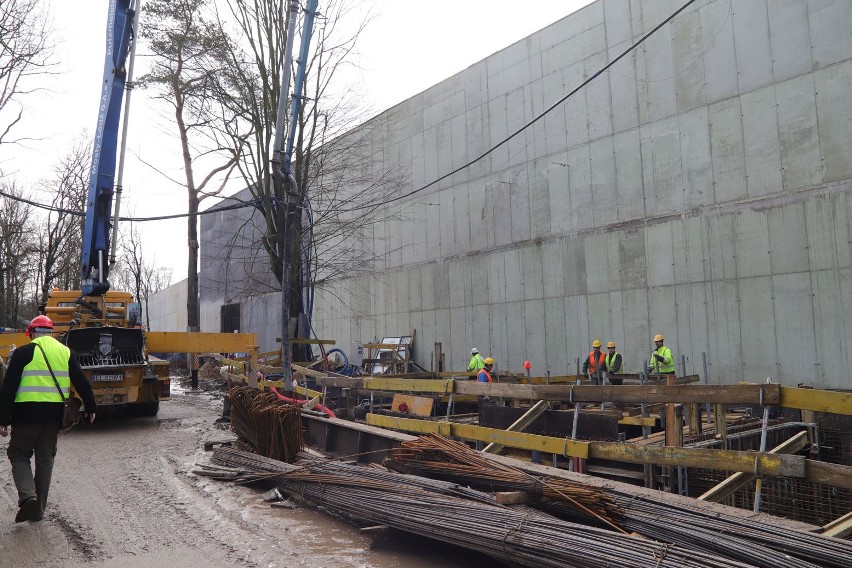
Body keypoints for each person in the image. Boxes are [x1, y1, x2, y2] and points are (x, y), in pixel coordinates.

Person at [0, 315, 97, 523]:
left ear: (31, 333)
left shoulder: (23, 352)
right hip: (54, 417)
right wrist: (90, 406)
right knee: (45, 460)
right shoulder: (65, 352)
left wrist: (3, 419)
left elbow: (8, 388)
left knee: (18, 454)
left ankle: (28, 497)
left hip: (25, 416)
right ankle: (38, 510)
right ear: (52, 332)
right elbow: (81, 381)